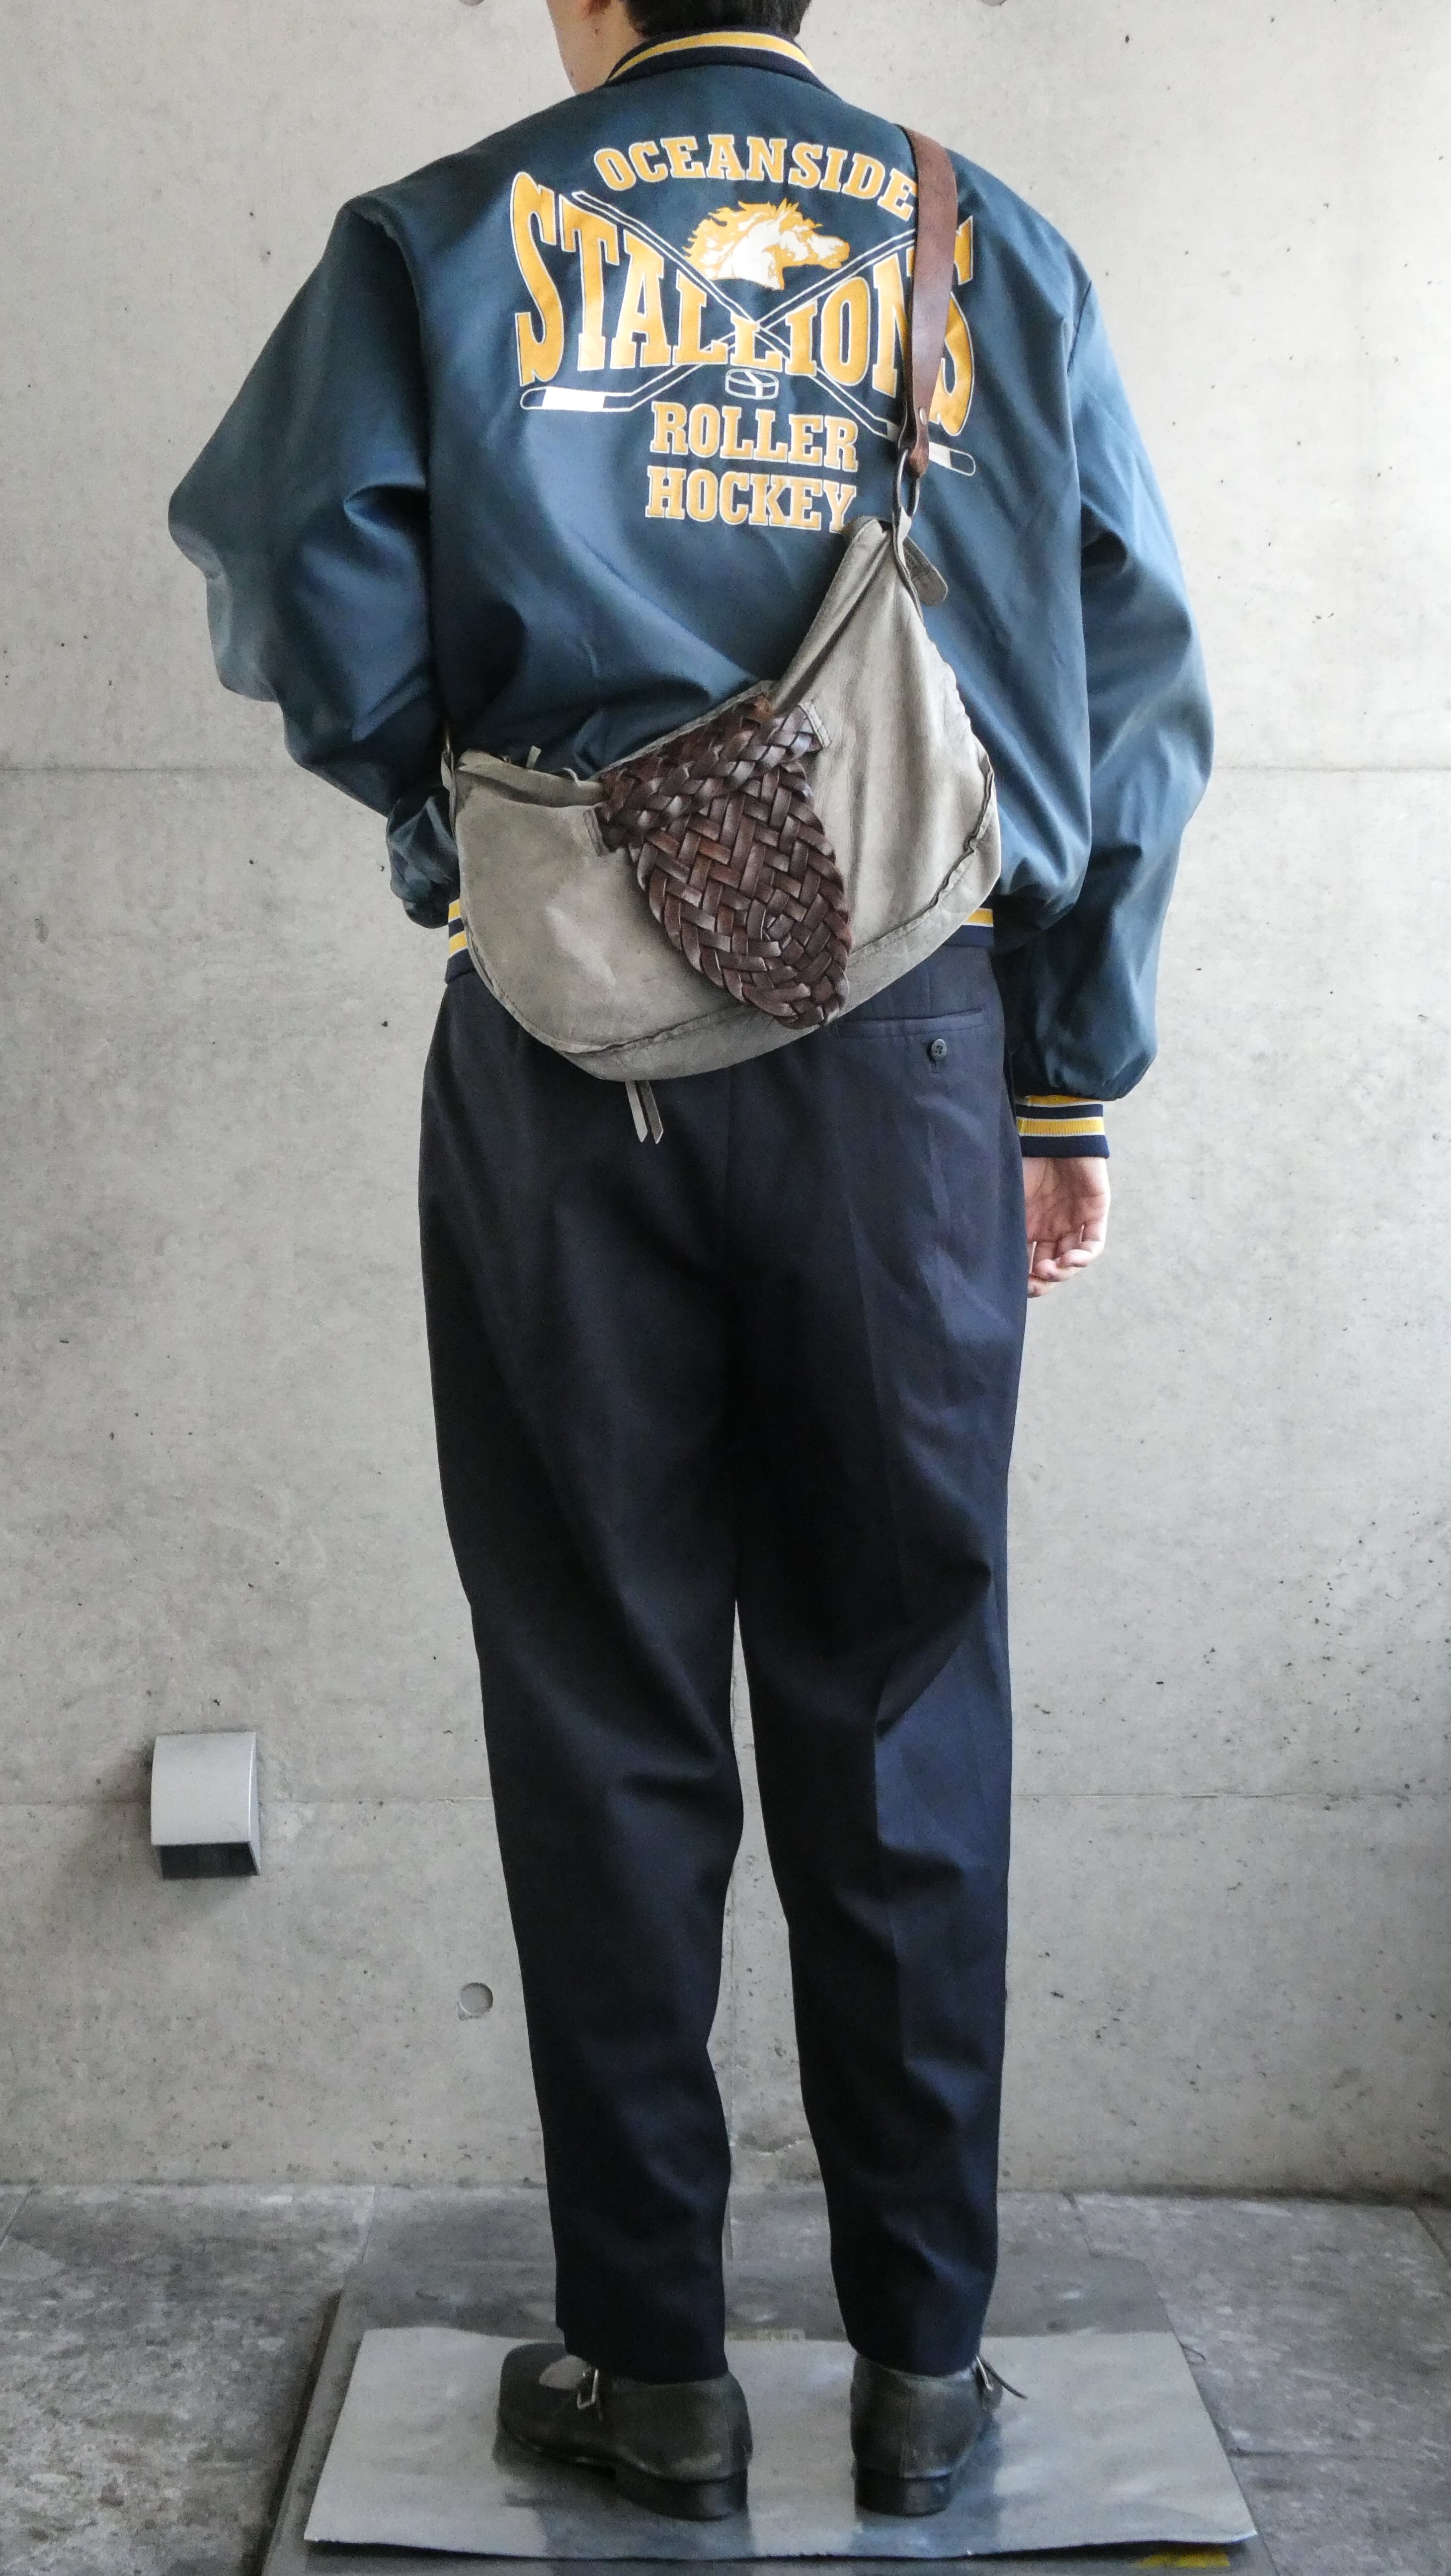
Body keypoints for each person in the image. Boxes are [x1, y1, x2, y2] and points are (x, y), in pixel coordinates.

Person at [169, 0, 1212, 2525]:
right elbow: (1130, 678)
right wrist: (1063, 1075)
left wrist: (468, 838)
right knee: (904, 1692)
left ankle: (656, 2378)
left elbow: (297, 568)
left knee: (601, 1686)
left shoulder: (443, 236)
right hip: (914, 1055)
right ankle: (926, 2376)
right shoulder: (987, 246)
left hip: (562, 1042)